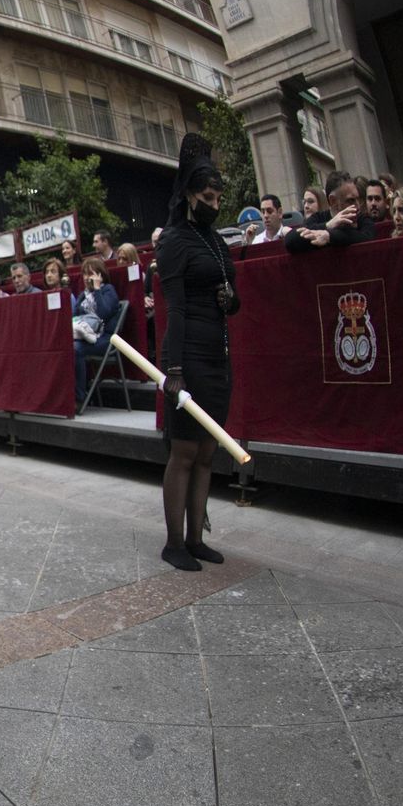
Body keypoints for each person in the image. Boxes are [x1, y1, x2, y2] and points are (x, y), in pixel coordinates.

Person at [156, 134, 239, 572]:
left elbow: (236, 298)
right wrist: (174, 370)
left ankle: (195, 538)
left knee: (207, 454)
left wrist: (231, 299)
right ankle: (174, 543)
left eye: (219, 196)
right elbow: (176, 309)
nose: (215, 203)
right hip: (186, 358)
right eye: (208, 196)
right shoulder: (173, 241)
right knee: (184, 453)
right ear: (190, 193)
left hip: (218, 356)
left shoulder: (217, 242)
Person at [72, 256, 119, 408]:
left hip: (105, 338)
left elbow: (104, 313)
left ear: (100, 275)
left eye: (91, 274)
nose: (87, 278)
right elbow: (73, 317)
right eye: (85, 274)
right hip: (85, 336)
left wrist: (97, 290)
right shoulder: (82, 296)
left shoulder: (108, 290)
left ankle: (80, 397)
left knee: (75, 349)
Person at [286, 175, 375, 252]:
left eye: (357, 199)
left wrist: (329, 236)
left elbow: (368, 238)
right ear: (333, 201)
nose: (358, 206)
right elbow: (290, 240)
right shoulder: (318, 218)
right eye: (351, 201)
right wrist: (328, 225)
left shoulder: (362, 218)